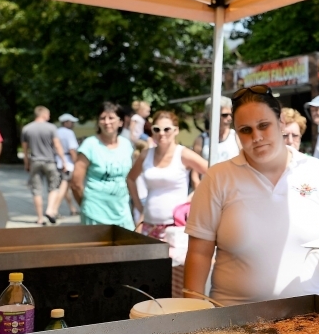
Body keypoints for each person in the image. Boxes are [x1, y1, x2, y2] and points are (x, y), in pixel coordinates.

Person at [184, 85, 319, 306]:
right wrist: (189, 313)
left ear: (280, 121)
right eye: (245, 130)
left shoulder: (317, 171)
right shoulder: (218, 178)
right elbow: (199, 253)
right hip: (232, 321)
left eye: (264, 125)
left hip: (307, 321)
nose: (257, 137)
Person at [127, 111, 208, 240]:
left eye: (167, 129)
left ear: (176, 130)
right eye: (157, 129)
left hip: (176, 227)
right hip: (149, 225)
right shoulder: (145, 154)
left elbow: (213, 173)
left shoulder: (183, 154)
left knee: (176, 261)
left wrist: (192, 197)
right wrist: (138, 205)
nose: (161, 133)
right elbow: (130, 179)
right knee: (151, 260)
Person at [71, 102, 135, 230]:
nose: (107, 122)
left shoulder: (126, 145)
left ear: (121, 122)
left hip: (122, 212)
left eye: (111, 118)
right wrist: (86, 205)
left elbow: (130, 177)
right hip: (95, 212)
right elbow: (75, 183)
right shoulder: (90, 145)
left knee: (127, 249)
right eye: (102, 118)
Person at [21, 106, 67, 225]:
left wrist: (26, 163)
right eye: (49, 114)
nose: (49, 117)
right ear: (44, 114)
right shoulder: (51, 128)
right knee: (54, 187)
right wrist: (64, 161)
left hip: (35, 161)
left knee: (36, 190)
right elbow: (57, 145)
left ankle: (40, 218)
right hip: (50, 161)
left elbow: (25, 149)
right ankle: (50, 210)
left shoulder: (26, 128)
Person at [191, 96, 239, 189]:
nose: (229, 118)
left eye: (230, 114)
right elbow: (195, 174)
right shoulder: (201, 140)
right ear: (210, 115)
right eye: (224, 115)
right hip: (208, 192)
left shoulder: (236, 137)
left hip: (233, 193)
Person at [53, 113, 80, 216]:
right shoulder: (69, 133)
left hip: (57, 161)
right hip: (67, 162)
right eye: (72, 122)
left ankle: (72, 208)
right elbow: (72, 150)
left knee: (64, 188)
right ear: (66, 122)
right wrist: (76, 162)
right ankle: (54, 210)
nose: (73, 124)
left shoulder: (56, 132)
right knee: (64, 187)